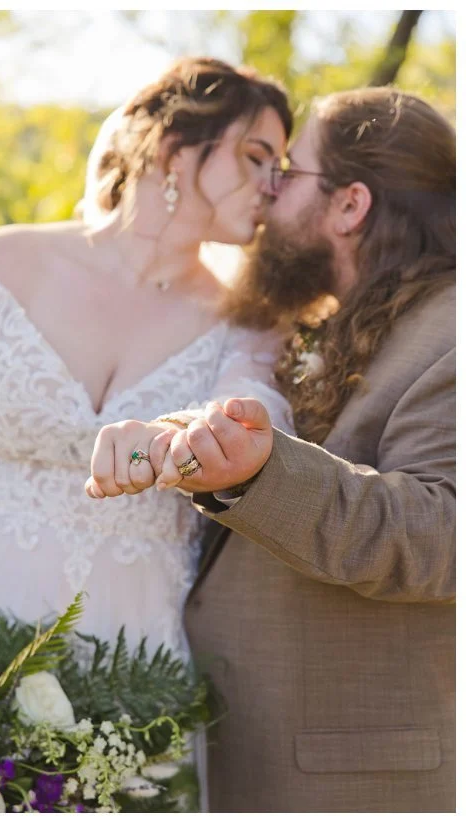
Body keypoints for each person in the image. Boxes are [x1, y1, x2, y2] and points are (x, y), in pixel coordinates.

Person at [88, 88, 455, 811]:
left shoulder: (452, 331)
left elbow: (442, 532)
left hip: (356, 781)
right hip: (252, 746)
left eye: (290, 172)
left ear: (349, 205)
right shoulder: (330, 321)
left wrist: (260, 473)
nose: (270, 190)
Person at [0, 56, 295, 674]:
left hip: (137, 664)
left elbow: (249, 425)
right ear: (175, 149)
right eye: (257, 157)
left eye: (279, 168)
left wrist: (176, 440)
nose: (272, 185)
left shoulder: (249, 321)